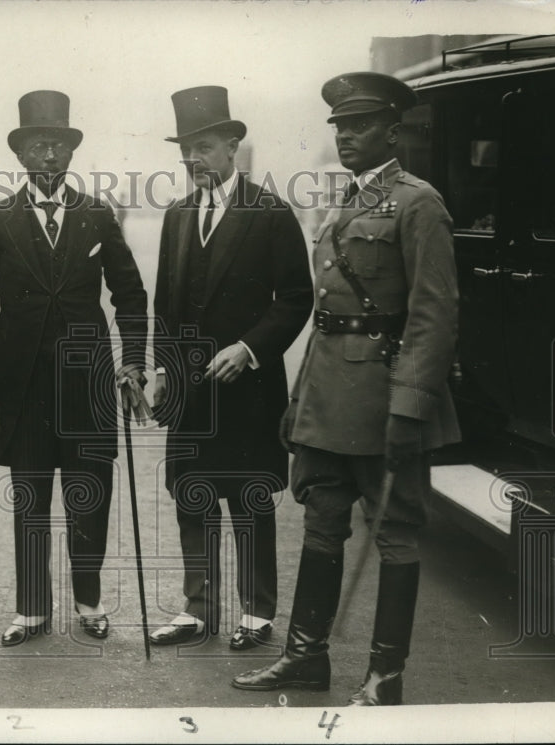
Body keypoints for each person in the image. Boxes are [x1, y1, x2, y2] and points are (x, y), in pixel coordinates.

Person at [232, 72, 460, 704]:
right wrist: (302, 396)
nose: (348, 137)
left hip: (386, 402)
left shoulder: (419, 204)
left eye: (361, 125)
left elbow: (433, 315)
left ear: (394, 130)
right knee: (322, 526)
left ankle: (386, 678)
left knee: (394, 536)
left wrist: (410, 406)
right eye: (340, 126)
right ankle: (305, 659)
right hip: (330, 402)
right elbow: (329, 318)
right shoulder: (345, 201)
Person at [0, 90, 148, 647]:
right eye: (37, 145)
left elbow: (130, 295)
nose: (48, 155)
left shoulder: (96, 214)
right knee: (31, 498)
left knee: (90, 493)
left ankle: (88, 601)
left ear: (70, 153)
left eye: (58, 145)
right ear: (20, 156)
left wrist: (133, 363)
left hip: (88, 380)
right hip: (21, 388)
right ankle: (33, 610)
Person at [150, 86, 313, 649]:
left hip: (247, 387)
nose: (193, 160)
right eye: (186, 150)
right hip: (192, 391)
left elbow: (296, 298)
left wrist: (249, 348)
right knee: (192, 494)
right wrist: (164, 371)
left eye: (204, 147)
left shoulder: (270, 213)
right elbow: (164, 305)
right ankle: (199, 610)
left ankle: (256, 612)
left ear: (233, 147)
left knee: (247, 498)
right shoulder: (176, 216)